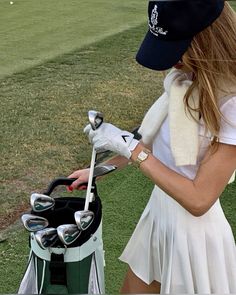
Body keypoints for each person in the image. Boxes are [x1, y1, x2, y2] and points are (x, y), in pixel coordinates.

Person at [68, 0, 236, 293]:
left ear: (205, 40)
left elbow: (199, 199)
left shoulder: (231, 103)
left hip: (193, 237)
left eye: (176, 46)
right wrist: (99, 169)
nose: (171, 60)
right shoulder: (184, 79)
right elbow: (151, 136)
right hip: (160, 214)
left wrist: (130, 148)